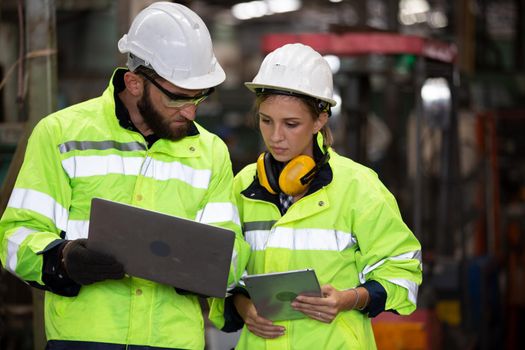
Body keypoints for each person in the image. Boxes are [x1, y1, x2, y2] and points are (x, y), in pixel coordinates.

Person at [0, 2, 249, 350]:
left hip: (173, 342)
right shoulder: (61, 135)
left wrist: (200, 267)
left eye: (200, 97)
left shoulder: (210, 152)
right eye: (178, 98)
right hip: (84, 340)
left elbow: (233, 253)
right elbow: (16, 235)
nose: (191, 111)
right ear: (134, 83)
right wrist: (64, 259)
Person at [220, 43, 423, 349]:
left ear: (320, 120)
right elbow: (223, 272)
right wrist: (242, 307)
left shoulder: (358, 187)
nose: (275, 137)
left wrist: (350, 298)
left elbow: (403, 270)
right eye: (266, 121)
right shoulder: (243, 186)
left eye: (291, 124)